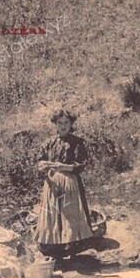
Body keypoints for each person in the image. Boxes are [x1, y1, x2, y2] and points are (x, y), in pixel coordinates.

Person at [33, 109, 94, 258]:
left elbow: (82, 165)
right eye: (60, 123)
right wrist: (42, 166)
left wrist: (63, 167)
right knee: (52, 214)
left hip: (70, 183)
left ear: (71, 124)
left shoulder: (77, 142)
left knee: (70, 214)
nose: (63, 126)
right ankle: (54, 248)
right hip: (52, 184)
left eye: (66, 123)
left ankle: (73, 249)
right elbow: (39, 161)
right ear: (55, 124)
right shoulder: (49, 143)